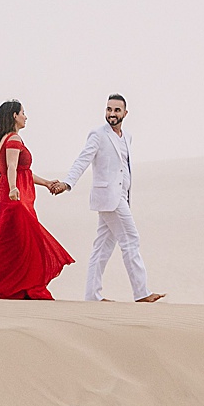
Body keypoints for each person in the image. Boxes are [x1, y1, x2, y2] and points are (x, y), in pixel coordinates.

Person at [61, 93, 165, 302]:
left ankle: (92, 295)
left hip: (121, 197)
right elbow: (83, 160)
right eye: (109, 109)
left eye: (116, 110)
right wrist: (68, 182)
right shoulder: (98, 135)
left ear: (125, 113)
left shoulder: (127, 137)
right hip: (109, 198)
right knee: (131, 238)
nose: (112, 114)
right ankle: (141, 292)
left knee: (102, 247)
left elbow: (122, 169)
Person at [0, 99, 75, 300]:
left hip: (13, 194)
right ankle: (23, 285)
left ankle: (12, 285)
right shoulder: (14, 139)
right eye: (23, 112)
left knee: (11, 243)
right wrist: (14, 188)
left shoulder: (7, 139)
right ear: (14, 116)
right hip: (15, 197)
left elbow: (22, 171)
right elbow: (11, 168)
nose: (26, 116)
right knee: (29, 241)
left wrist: (46, 183)